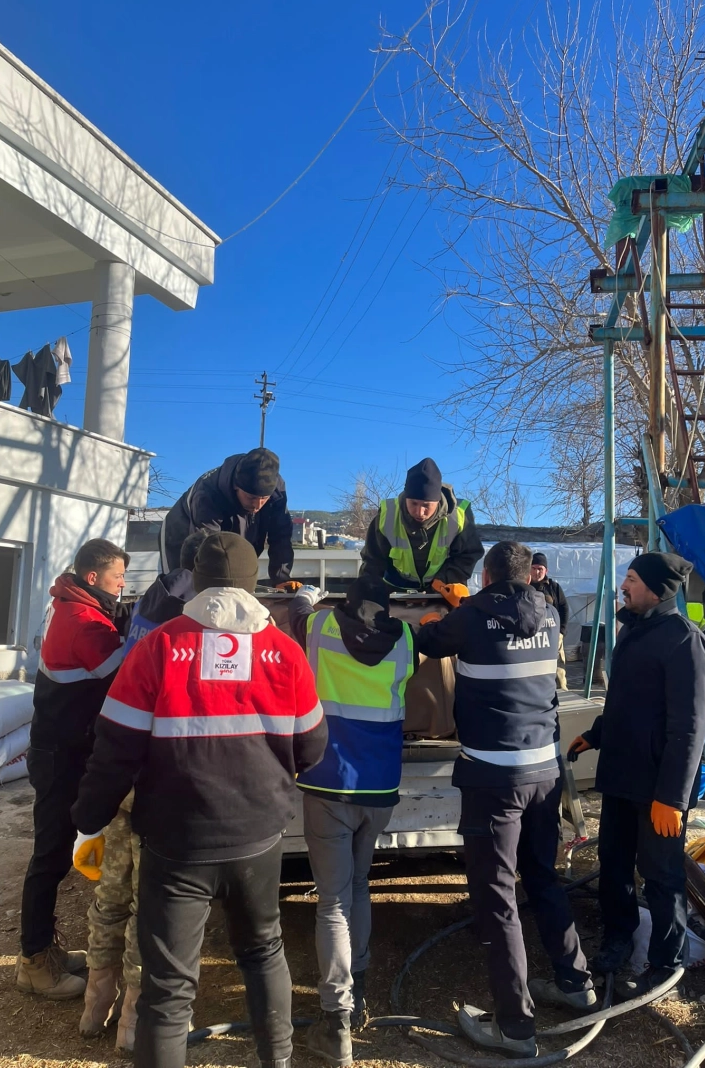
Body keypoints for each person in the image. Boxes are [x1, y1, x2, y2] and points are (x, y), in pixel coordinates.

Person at [71, 532, 328, 1068]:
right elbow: (312, 746)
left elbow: (113, 750)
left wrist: (89, 820)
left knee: (168, 987)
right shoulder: (285, 651)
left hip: (176, 843)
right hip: (258, 838)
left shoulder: (159, 646)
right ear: (254, 585)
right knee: (263, 953)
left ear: (198, 581)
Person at [416, 541, 594, 1058]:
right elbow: (507, 626)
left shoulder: (470, 617)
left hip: (494, 778)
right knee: (541, 877)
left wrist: (440, 614)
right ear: (529, 574)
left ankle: (515, 1027)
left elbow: (429, 640)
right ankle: (575, 982)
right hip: (544, 771)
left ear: (486, 576)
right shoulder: (551, 615)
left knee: (496, 897)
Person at [76, 528, 212, 1051]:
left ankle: (95, 1006)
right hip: (158, 777)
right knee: (147, 903)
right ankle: (132, 1020)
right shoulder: (184, 626)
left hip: (122, 769)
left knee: (111, 892)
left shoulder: (150, 602)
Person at [568, 551, 705, 998]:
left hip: (656, 789)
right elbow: (624, 701)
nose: (623, 586)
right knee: (613, 864)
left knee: (660, 877)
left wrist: (672, 797)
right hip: (619, 777)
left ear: (657, 588)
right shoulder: (632, 630)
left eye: (631, 578)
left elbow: (689, 729)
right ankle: (618, 937)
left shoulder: (685, 642)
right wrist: (596, 734)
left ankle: (664, 965)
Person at [289, 576, 419, 1068]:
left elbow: (296, 615)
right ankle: (357, 991)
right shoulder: (404, 638)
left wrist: (307, 593)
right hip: (380, 785)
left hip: (329, 783)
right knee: (359, 886)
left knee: (332, 902)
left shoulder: (321, 625)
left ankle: (336, 1018)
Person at [16, 538, 129, 1000]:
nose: (122, 584)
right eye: (117, 576)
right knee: (50, 856)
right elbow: (127, 676)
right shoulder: (84, 623)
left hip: (59, 747)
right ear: (92, 577)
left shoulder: (69, 605)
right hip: (60, 756)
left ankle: (43, 950)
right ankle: (34, 961)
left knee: (55, 853)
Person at [159, 447, 297, 586]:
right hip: (182, 533)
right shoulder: (207, 495)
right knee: (186, 585)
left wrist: (281, 580)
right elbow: (206, 547)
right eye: (251, 497)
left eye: (264, 498)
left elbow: (281, 537)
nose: (257, 505)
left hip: (236, 529)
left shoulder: (276, 492)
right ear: (236, 487)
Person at [360, 458, 483, 592]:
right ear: (406, 497)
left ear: (437, 501)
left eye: (426, 505)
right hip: (396, 589)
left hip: (443, 589)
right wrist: (367, 592)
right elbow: (373, 561)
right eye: (413, 503)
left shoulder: (459, 516)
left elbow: (468, 555)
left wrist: (443, 580)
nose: (419, 512)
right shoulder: (387, 515)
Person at [530, 552, 570, 690]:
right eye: (534, 568)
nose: (537, 572)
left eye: (540, 569)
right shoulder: (523, 586)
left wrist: (561, 631)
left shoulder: (553, 587)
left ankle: (562, 692)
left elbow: (564, 608)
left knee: (558, 668)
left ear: (546, 570)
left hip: (553, 634)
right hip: (531, 636)